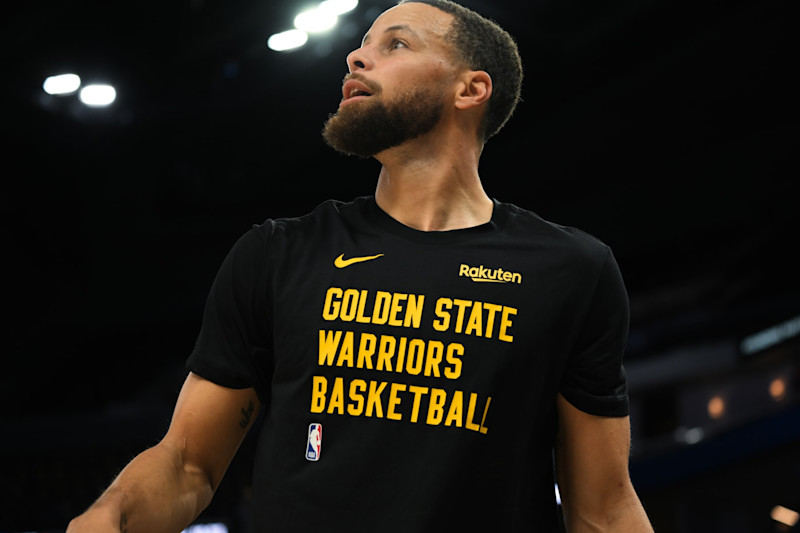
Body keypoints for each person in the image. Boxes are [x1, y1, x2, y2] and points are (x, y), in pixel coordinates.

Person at [67, 0, 654, 531]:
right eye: (362, 44)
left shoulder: (571, 269)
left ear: (471, 89)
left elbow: (602, 507)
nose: (356, 55)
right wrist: (108, 517)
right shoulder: (277, 253)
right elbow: (188, 464)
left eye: (394, 44)